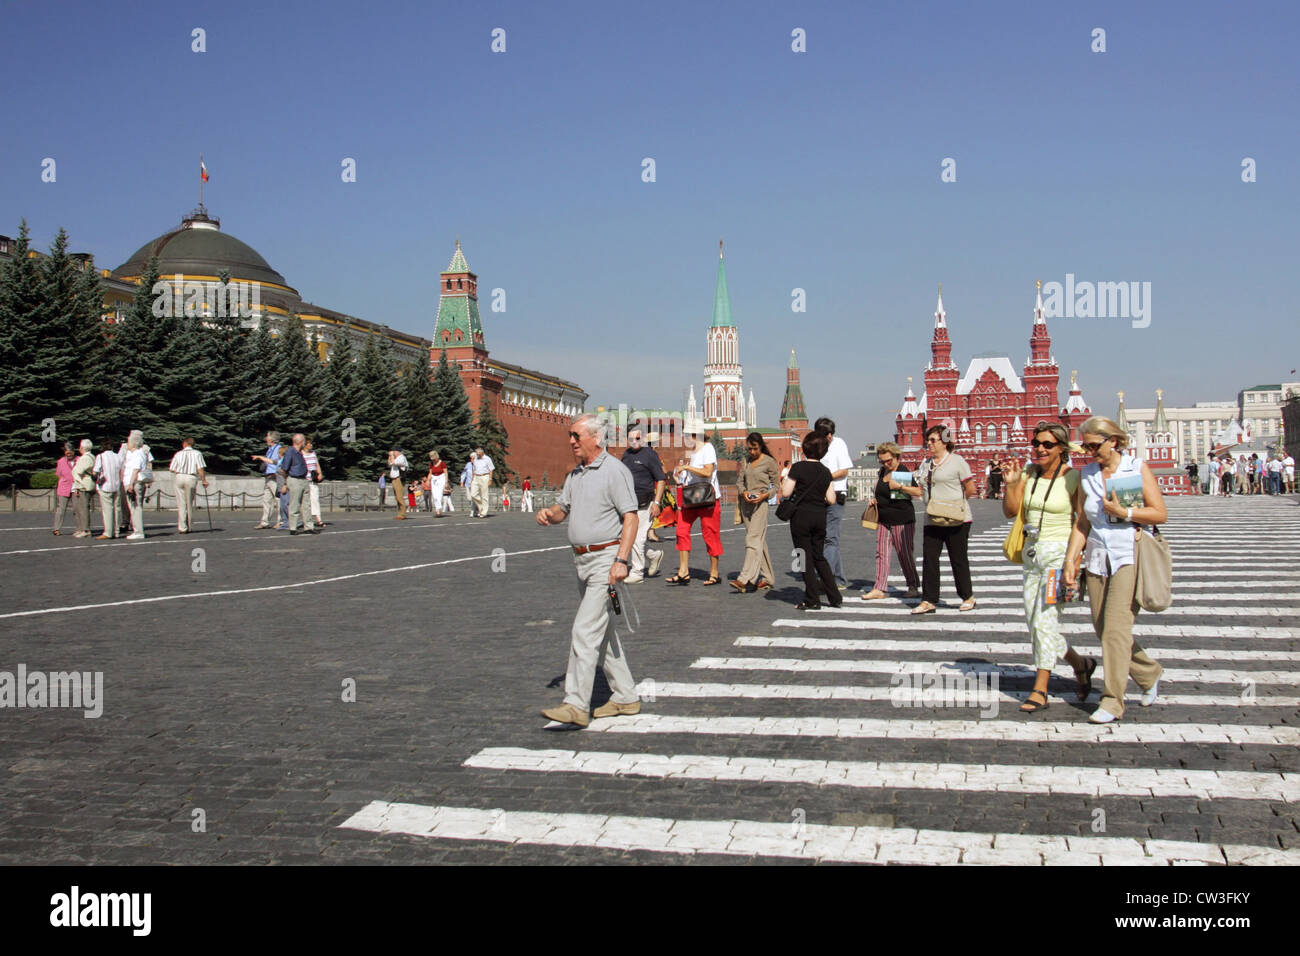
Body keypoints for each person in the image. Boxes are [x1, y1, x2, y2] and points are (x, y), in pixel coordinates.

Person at [536, 413, 641, 728]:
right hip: (581, 562)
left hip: (606, 564)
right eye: (570, 435)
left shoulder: (615, 472)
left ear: (595, 438)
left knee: (584, 629)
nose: (570, 441)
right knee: (603, 632)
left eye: (575, 436)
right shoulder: (577, 474)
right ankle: (625, 696)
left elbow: (631, 517)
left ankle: (576, 705)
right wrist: (549, 515)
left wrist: (621, 561)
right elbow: (562, 509)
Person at [1065, 416, 1166, 724]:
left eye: (1094, 445)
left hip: (1128, 554)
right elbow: (1082, 521)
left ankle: (1112, 701)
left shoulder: (1135, 469)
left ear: (1114, 441)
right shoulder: (1089, 474)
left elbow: (1159, 513)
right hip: (1097, 556)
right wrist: (1072, 559)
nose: (1089, 451)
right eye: (1086, 445)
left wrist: (1126, 512)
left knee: (1116, 630)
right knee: (1102, 627)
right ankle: (1148, 672)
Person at [1001, 422, 1095, 713]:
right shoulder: (1029, 475)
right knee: (1034, 622)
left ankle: (1040, 687)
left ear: (1062, 449)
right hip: (1033, 556)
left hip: (1059, 556)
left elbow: (1082, 522)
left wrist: (1074, 563)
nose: (1040, 448)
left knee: (1045, 620)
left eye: (1048, 444)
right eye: (1036, 443)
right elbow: (1011, 511)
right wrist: (1012, 483)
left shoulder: (1074, 479)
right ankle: (1081, 664)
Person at [913, 425, 978, 615]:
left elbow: (970, 487)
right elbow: (921, 489)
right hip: (932, 517)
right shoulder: (926, 464)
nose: (929, 444)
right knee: (930, 559)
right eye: (928, 440)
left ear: (945, 441)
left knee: (958, 559)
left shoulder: (957, 461)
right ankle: (928, 599)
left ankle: (967, 597)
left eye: (933, 440)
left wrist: (955, 504)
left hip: (958, 518)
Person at [779, 430, 841, 610]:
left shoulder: (798, 468)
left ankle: (812, 598)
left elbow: (786, 492)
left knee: (803, 557)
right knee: (819, 556)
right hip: (820, 517)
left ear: (805, 449)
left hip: (801, 517)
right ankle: (834, 596)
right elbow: (831, 499)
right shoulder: (825, 471)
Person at [860, 442, 921, 601]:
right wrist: (874, 500)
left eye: (888, 460)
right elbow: (882, 493)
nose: (886, 463)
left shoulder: (901, 471)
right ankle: (880, 587)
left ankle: (913, 585)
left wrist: (901, 486)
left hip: (902, 520)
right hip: (883, 519)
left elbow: (917, 492)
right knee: (881, 554)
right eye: (882, 461)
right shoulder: (883, 471)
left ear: (896, 457)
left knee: (904, 554)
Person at [667, 428, 722, 585]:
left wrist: (687, 468)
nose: (685, 439)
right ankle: (683, 571)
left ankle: (714, 572)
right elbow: (689, 478)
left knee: (710, 534)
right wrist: (679, 477)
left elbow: (707, 472)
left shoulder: (708, 448)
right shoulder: (691, 453)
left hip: (707, 499)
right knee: (681, 530)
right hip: (691, 499)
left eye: (686, 435)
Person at [731, 432, 779, 593]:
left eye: (755, 448)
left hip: (761, 505)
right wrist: (744, 492)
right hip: (746, 506)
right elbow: (739, 482)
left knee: (752, 539)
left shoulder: (769, 462)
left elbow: (776, 486)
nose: (752, 452)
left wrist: (765, 495)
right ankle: (768, 578)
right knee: (759, 542)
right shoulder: (746, 462)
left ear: (761, 446)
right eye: (749, 449)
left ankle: (745, 579)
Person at [621, 427, 667, 583]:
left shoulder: (650, 455)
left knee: (638, 539)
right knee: (629, 538)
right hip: (628, 504)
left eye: (637, 438)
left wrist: (657, 502)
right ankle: (654, 555)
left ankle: (637, 573)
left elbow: (661, 479)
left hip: (645, 503)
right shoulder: (626, 455)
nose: (634, 442)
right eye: (631, 439)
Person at [815, 417, 852, 588]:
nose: (827, 438)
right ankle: (838, 579)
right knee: (823, 538)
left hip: (836, 495)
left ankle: (825, 577)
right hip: (818, 496)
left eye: (828, 435)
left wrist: (825, 477)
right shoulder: (815, 445)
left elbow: (844, 470)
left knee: (831, 538)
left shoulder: (839, 444)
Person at [278, 433, 317, 535]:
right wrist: (287, 481)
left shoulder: (299, 452)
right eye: (304, 441)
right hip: (294, 479)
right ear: (300, 441)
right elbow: (283, 469)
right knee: (295, 504)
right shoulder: (290, 452)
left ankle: (308, 527)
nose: (305, 443)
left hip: (304, 479)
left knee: (306, 505)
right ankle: (293, 528)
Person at [168, 438, 208, 534]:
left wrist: (179, 471)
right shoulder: (197, 453)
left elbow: (172, 468)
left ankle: (182, 527)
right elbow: (200, 468)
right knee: (189, 503)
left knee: (181, 503)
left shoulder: (178, 454)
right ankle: (189, 526)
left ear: (185, 444)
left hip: (179, 477)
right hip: (191, 477)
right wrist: (204, 480)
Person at [252, 432, 285, 529]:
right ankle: (264, 522)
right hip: (268, 476)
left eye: (267, 436)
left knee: (278, 500)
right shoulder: (270, 449)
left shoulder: (278, 448)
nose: (265, 438)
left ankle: (281, 521)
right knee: (266, 500)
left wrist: (276, 474)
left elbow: (278, 462)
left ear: (271, 439)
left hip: (274, 477)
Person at [121, 430, 149, 540]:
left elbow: (135, 470)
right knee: (134, 508)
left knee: (135, 508)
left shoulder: (138, 453)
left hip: (134, 483)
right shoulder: (136, 453)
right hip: (132, 482)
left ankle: (138, 531)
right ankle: (137, 530)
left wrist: (131, 484)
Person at [93, 439, 124, 539]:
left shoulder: (100, 456)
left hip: (105, 486)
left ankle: (108, 532)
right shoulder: (118, 456)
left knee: (107, 510)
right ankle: (117, 531)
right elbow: (121, 470)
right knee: (117, 509)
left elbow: (96, 471)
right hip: (117, 485)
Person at [70, 439, 95, 538]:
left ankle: (85, 529)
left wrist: (77, 485)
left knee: (83, 508)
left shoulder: (85, 458)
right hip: (86, 484)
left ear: (82, 448)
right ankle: (82, 528)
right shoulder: (91, 456)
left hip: (84, 485)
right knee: (82, 508)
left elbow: (78, 472)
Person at [52, 442, 76, 536]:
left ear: (73, 451)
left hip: (76, 488)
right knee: (61, 510)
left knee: (77, 510)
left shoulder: (79, 460)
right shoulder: (61, 461)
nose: (68, 454)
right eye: (66, 452)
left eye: (70, 452)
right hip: (64, 488)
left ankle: (79, 529)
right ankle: (56, 528)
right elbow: (58, 474)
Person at [303, 436, 326, 528]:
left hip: (313, 480)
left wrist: (319, 473)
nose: (311, 445)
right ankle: (307, 519)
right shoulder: (301, 454)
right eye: (310, 443)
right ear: (305, 444)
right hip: (304, 480)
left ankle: (318, 519)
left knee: (315, 499)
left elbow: (316, 464)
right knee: (305, 502)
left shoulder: (313, 453)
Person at [470, 446, 494, 517]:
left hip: (484, 476)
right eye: (476, 453)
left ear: (482, 452)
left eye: (478, 453)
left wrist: (490, 479)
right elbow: (474, 468)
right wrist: (473, 478)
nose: (477, 454)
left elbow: (491, 469)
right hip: (476, 477)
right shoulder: (476, 459)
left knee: (484, 495)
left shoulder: (487, 459)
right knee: (473, 494)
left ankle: (484, 512)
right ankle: (481, 506)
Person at [388, 448, 410, 520]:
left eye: (394, 452)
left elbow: (395, 463)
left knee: (399, 496)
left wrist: (392, 456)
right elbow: (389, 463)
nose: (393, 453)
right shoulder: (396, 458)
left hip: (399, 479)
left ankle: (402, 514)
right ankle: (400, 513)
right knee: (397, 497)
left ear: (398, 452)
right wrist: (390, 456)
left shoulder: (401, 458)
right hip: (394, 479)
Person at [429, 452, 449, 517]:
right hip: (434, 479)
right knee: (434, 495)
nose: (433, 460)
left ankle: (438, 511)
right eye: (432, 459)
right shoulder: (431, 464)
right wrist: (427, 480)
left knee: (439, 494)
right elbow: (430, 473)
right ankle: (438, 508)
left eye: (434, 458)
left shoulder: (442, 463)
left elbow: (446, 473)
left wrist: (446, 482)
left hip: (441, 478)